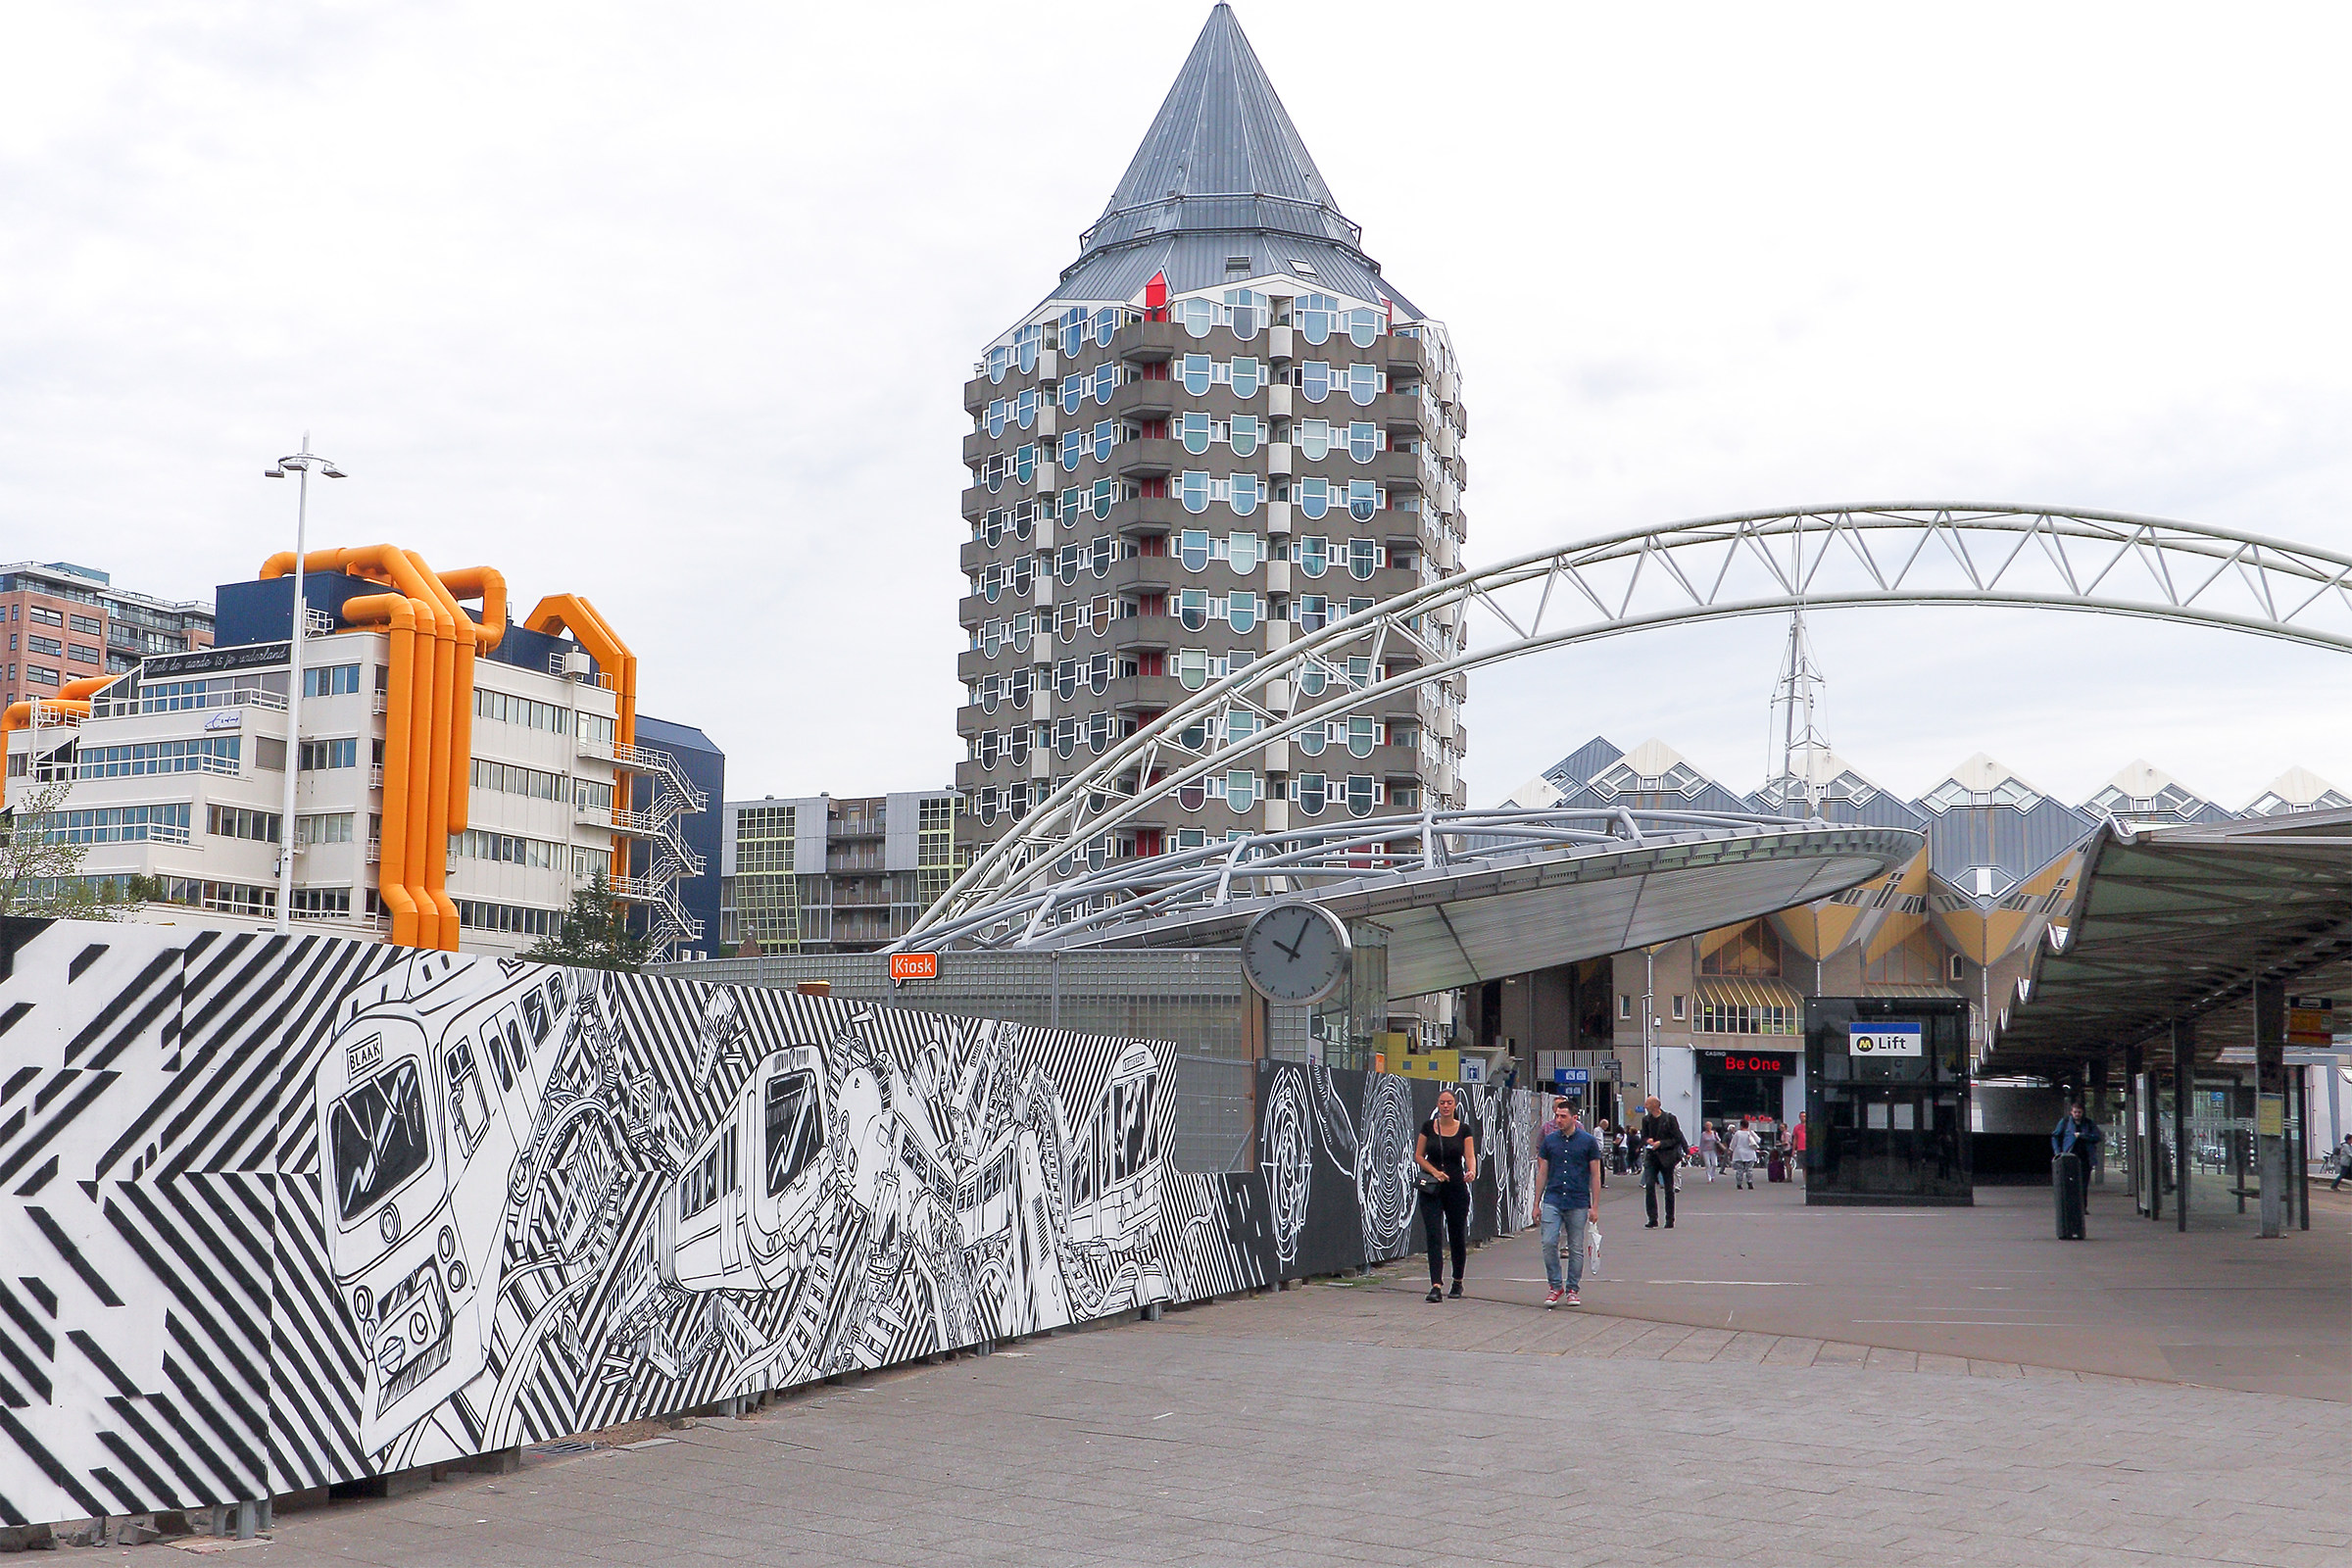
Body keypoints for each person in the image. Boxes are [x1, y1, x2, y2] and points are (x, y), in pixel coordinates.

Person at [1535, 1098, 1604, 1307]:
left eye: (1563, 1116)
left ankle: (1573, 1288)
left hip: (1578, 1199)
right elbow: (1543, 1172)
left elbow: (1595, 1175)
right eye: (1557, 1115)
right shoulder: (1550, 1141)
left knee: (1575, 1247)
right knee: (1548, 1243)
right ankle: (1555, 1286)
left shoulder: (1588, 1142)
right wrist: (1536, 1203)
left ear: (1574, 1117)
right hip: (1553, 1198)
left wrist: (1595, 1206)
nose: (1558, 1120)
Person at [1415, 1088, 1477, 1301]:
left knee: (1456, 1234)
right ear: (1438, 1105)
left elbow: (1469, 1155)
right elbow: (1419, 1155)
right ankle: (1435, 1285)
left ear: (1455, 1105)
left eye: (1449, 1102)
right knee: (1434, 1234)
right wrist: (1434, 1171)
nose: (1446, 1106)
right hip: (1432, 1186)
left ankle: (1457, 1280)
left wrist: (1471, 1171)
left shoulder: (1464, 1130)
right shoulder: (1428, 1127)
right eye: (1442, 1102)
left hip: (1456, 1186)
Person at [1638, 1096, 1688, 1228]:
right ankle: (1652, 1218)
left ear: (1655, 1105)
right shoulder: (1646, 1120)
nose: (1645, 1106)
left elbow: (1676, 1138)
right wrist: (1647, 1140)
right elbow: (1643, 1136)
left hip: (1667, 1157)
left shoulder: (1669, 1119)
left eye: (1647, 1104)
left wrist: (1661, 1143)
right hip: (1652, 1157)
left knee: (1668, 1188)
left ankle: (1670, 1218)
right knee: (1649, 1185)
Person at [2052, 1102, 2103, 1191]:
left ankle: (2082, 1203)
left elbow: (2098, 1137)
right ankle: (2071, 1203)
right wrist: (2058, 1152)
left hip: (2085, 1158)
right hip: (2069, 1156)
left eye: (2079, 1112)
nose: (2077, 1114)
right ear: (2071, 1112)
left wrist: (2082, 1135)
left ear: (2082, 1113)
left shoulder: (2089, 1123)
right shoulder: (2065, 1122)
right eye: (2075, 1112)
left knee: (2083, 1185)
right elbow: (2055, 1137)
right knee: (2070, 1183)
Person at [1729, 1117, 1761, 1190]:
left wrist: (1730, 1150)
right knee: (1749, 1169)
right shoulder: (1750, 1132)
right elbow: (1758, 1140)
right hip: (1750, 1153)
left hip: (1739, 1154)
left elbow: (1733, 1143)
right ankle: (1750, 1182)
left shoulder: (1737, 1133)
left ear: (1741, 1125)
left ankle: (1739, 1184)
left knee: (1739, 1170)